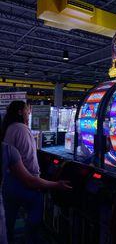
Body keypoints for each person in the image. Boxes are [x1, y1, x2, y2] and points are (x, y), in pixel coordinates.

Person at [0, 100, 66, 244]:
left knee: (8, 223)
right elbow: (29, 161)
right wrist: (52, 184)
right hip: (23, 183)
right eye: (27, 109)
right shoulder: (21, 129)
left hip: (9, 183)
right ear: (20, 112)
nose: (29, 112)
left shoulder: (9, 128)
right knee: (35, 216)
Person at [0, 141, 71, 244]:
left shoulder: (9, 149)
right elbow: (30, 181)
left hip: (8, 191)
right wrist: (56, 185)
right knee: (36, 202)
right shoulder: (7, 150)